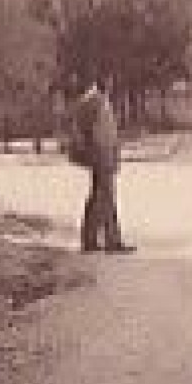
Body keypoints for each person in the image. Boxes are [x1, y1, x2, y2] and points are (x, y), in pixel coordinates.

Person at [73, 83, 134, 255]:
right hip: (100, 154)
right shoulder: (93, 101)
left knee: (99, 197)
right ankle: (111, 240)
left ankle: (91, 239)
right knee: (106, 196)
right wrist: (98, 153)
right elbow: (93, 132)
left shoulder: (97, 100)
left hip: (102, 153)